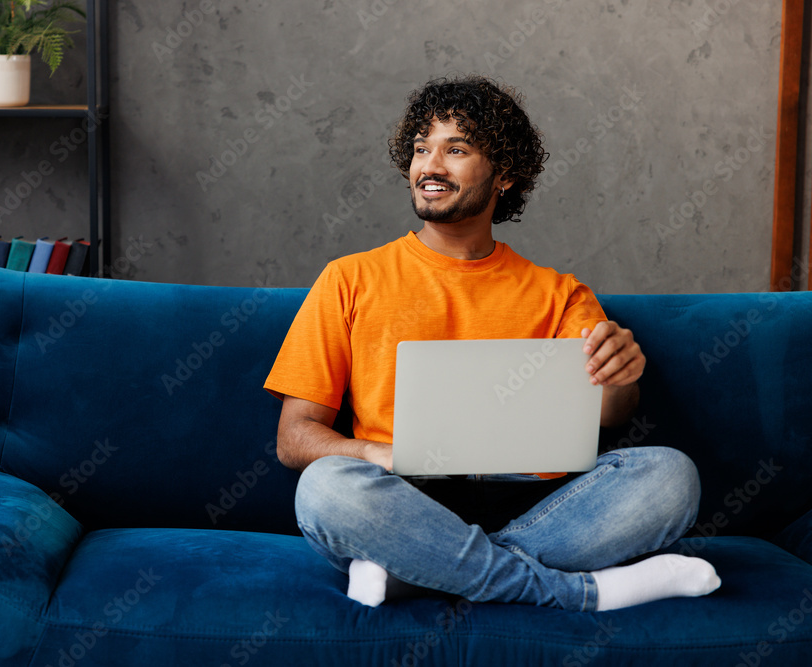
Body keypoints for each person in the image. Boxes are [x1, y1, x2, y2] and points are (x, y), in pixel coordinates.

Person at [263, 75, 721, 612]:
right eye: (421, 149)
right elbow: (294, 438)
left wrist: (621, 376)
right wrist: (373, 453)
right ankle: (578, 592)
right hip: (404, 496)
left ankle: (422, 572)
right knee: (326, 487)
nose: (430, 166)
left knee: (670, 476)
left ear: (505, 175)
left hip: (541, 504)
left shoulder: (559, 292)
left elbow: (610, 414)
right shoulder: (349, 278)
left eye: (456, 150)